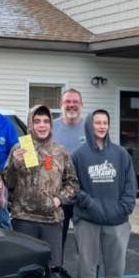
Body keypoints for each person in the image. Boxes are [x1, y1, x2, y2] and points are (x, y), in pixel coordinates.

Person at [5, 105, 80, 278]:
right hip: (23, 218)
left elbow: (72, 183)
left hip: (51, 220)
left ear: (50, 124)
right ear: (30, 123)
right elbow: (7, 183)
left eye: (45, 121)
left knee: (54, 270)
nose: (41, 125)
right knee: (22, 273)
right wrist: (14, 166)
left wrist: (60, 199)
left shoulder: (60, 151)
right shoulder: (20, 148)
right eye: (36, 121)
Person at [71, 109, 138, 278]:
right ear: (89, 125)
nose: (101, 126)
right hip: (88, 220)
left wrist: (125, 207)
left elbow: (130, 185)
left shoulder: (120, 154)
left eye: (105, 122)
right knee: (87, 264)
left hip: (117, 220)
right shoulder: (79, 155)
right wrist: (90, 204)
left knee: (116, 266)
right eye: (97, 122)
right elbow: (73, 186)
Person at [52, 88, 86, 256]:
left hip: (85, 195)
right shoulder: (50, 126)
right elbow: (32, 151)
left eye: (75, 102)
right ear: (61, 105)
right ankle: (57, 277)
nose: (71, 105)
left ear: (81, 105)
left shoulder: (91, 128)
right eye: (67, 102)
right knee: (57, 245)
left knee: (87, 248)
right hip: (59, 197)